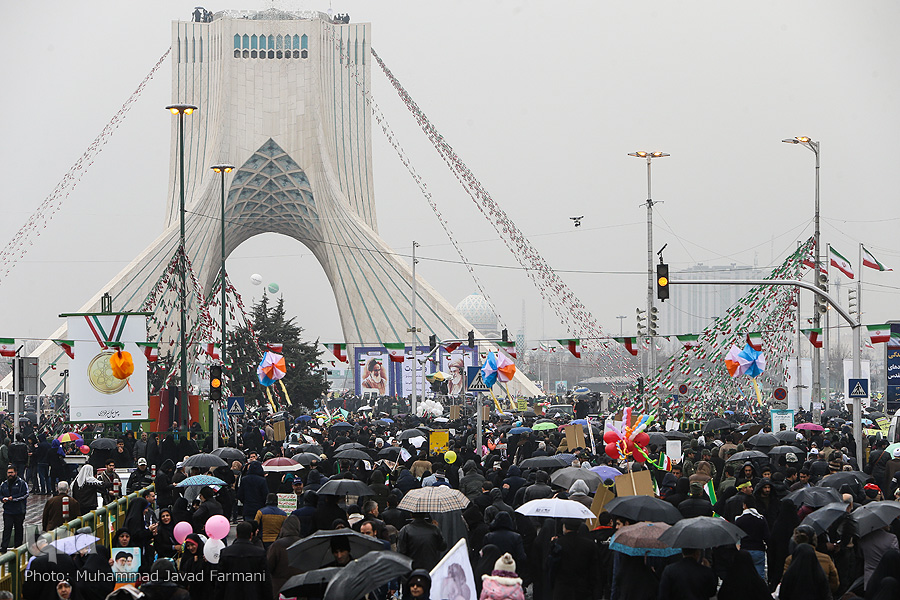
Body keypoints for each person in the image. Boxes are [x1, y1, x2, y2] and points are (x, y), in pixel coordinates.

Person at [215, 521, 270, 600]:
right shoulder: (260, 553)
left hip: (231, 594)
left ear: (237, 535)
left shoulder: (225, 552)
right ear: (251, 535)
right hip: (253, 594)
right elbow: (266, 581)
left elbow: (220, 580)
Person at [547, 518, 598, 600]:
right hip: (582, 588)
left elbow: (552, 566)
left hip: (562, 589)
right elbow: (594, 569)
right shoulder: (589, 544)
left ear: (565, 527)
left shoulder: (558, 543)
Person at [267, 515, 303, 600]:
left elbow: (268, 566)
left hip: (279, 590)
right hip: (298, 589)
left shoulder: (277, 546)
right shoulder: (304, 544)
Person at [0, 465, 28, 552]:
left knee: (18, 528)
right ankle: (4, 547)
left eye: (12, 472)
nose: (10, 474)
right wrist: (2, 499)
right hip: (8, 511)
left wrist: (13, 498)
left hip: (19, 511)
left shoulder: (22, 483)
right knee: (7, 528)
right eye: (8, 473)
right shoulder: (4, 484)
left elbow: (25, 494)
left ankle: (18, 547)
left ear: (15, 473)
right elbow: (0, 494)